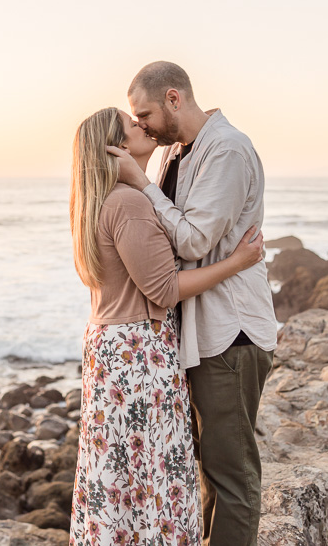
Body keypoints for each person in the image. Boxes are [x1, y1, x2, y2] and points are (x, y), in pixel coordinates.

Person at [69, 106, 264, 546]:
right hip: (138, 352)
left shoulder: (101, 200)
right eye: (131, 124)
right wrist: (236, 262)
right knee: (154, 474)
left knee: (120, 476)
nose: (141, 125)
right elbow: (164, 289)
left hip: (109, 348)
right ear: (116, 148)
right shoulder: (130, 202)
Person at [106, 61, 277, 546]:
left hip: (230, 333)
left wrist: (140, 185)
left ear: (174, 98)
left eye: (144, 114)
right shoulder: (177, 153)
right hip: (202, 334)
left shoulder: (225, 149)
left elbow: (194, 240)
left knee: (232, 476)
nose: (140, 125)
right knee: (208, 471)